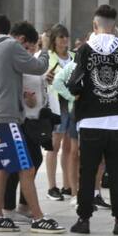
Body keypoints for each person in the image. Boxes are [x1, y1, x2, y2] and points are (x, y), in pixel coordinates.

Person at [0, 16, 64, 233]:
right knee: (27, 167)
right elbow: (39, 66)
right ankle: (38, 218)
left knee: (0, 169)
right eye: (28, 46)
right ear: (22, 38)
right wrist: (43, 47)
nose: (27, 50)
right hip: (7, 118)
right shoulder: (11, 46)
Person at [67, 5, 118, 235]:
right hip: (117, 123)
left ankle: (84, 219)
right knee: (117, 173)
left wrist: (85, 94)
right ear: (114, 26)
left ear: (94, 24)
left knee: (88, 172)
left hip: (90, 122)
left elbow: (72, 83)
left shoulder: (85, 50)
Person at [43, 24, 74, 201]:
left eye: (66, 37)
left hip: (72, 104)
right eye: (61, 37)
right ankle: (51, 186)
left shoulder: (74, 57)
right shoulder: (47, 57)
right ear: (54, 40)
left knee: (69, 147)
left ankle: (67, 184)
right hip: (56, 105)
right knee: (54, 146)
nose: (64, 40)